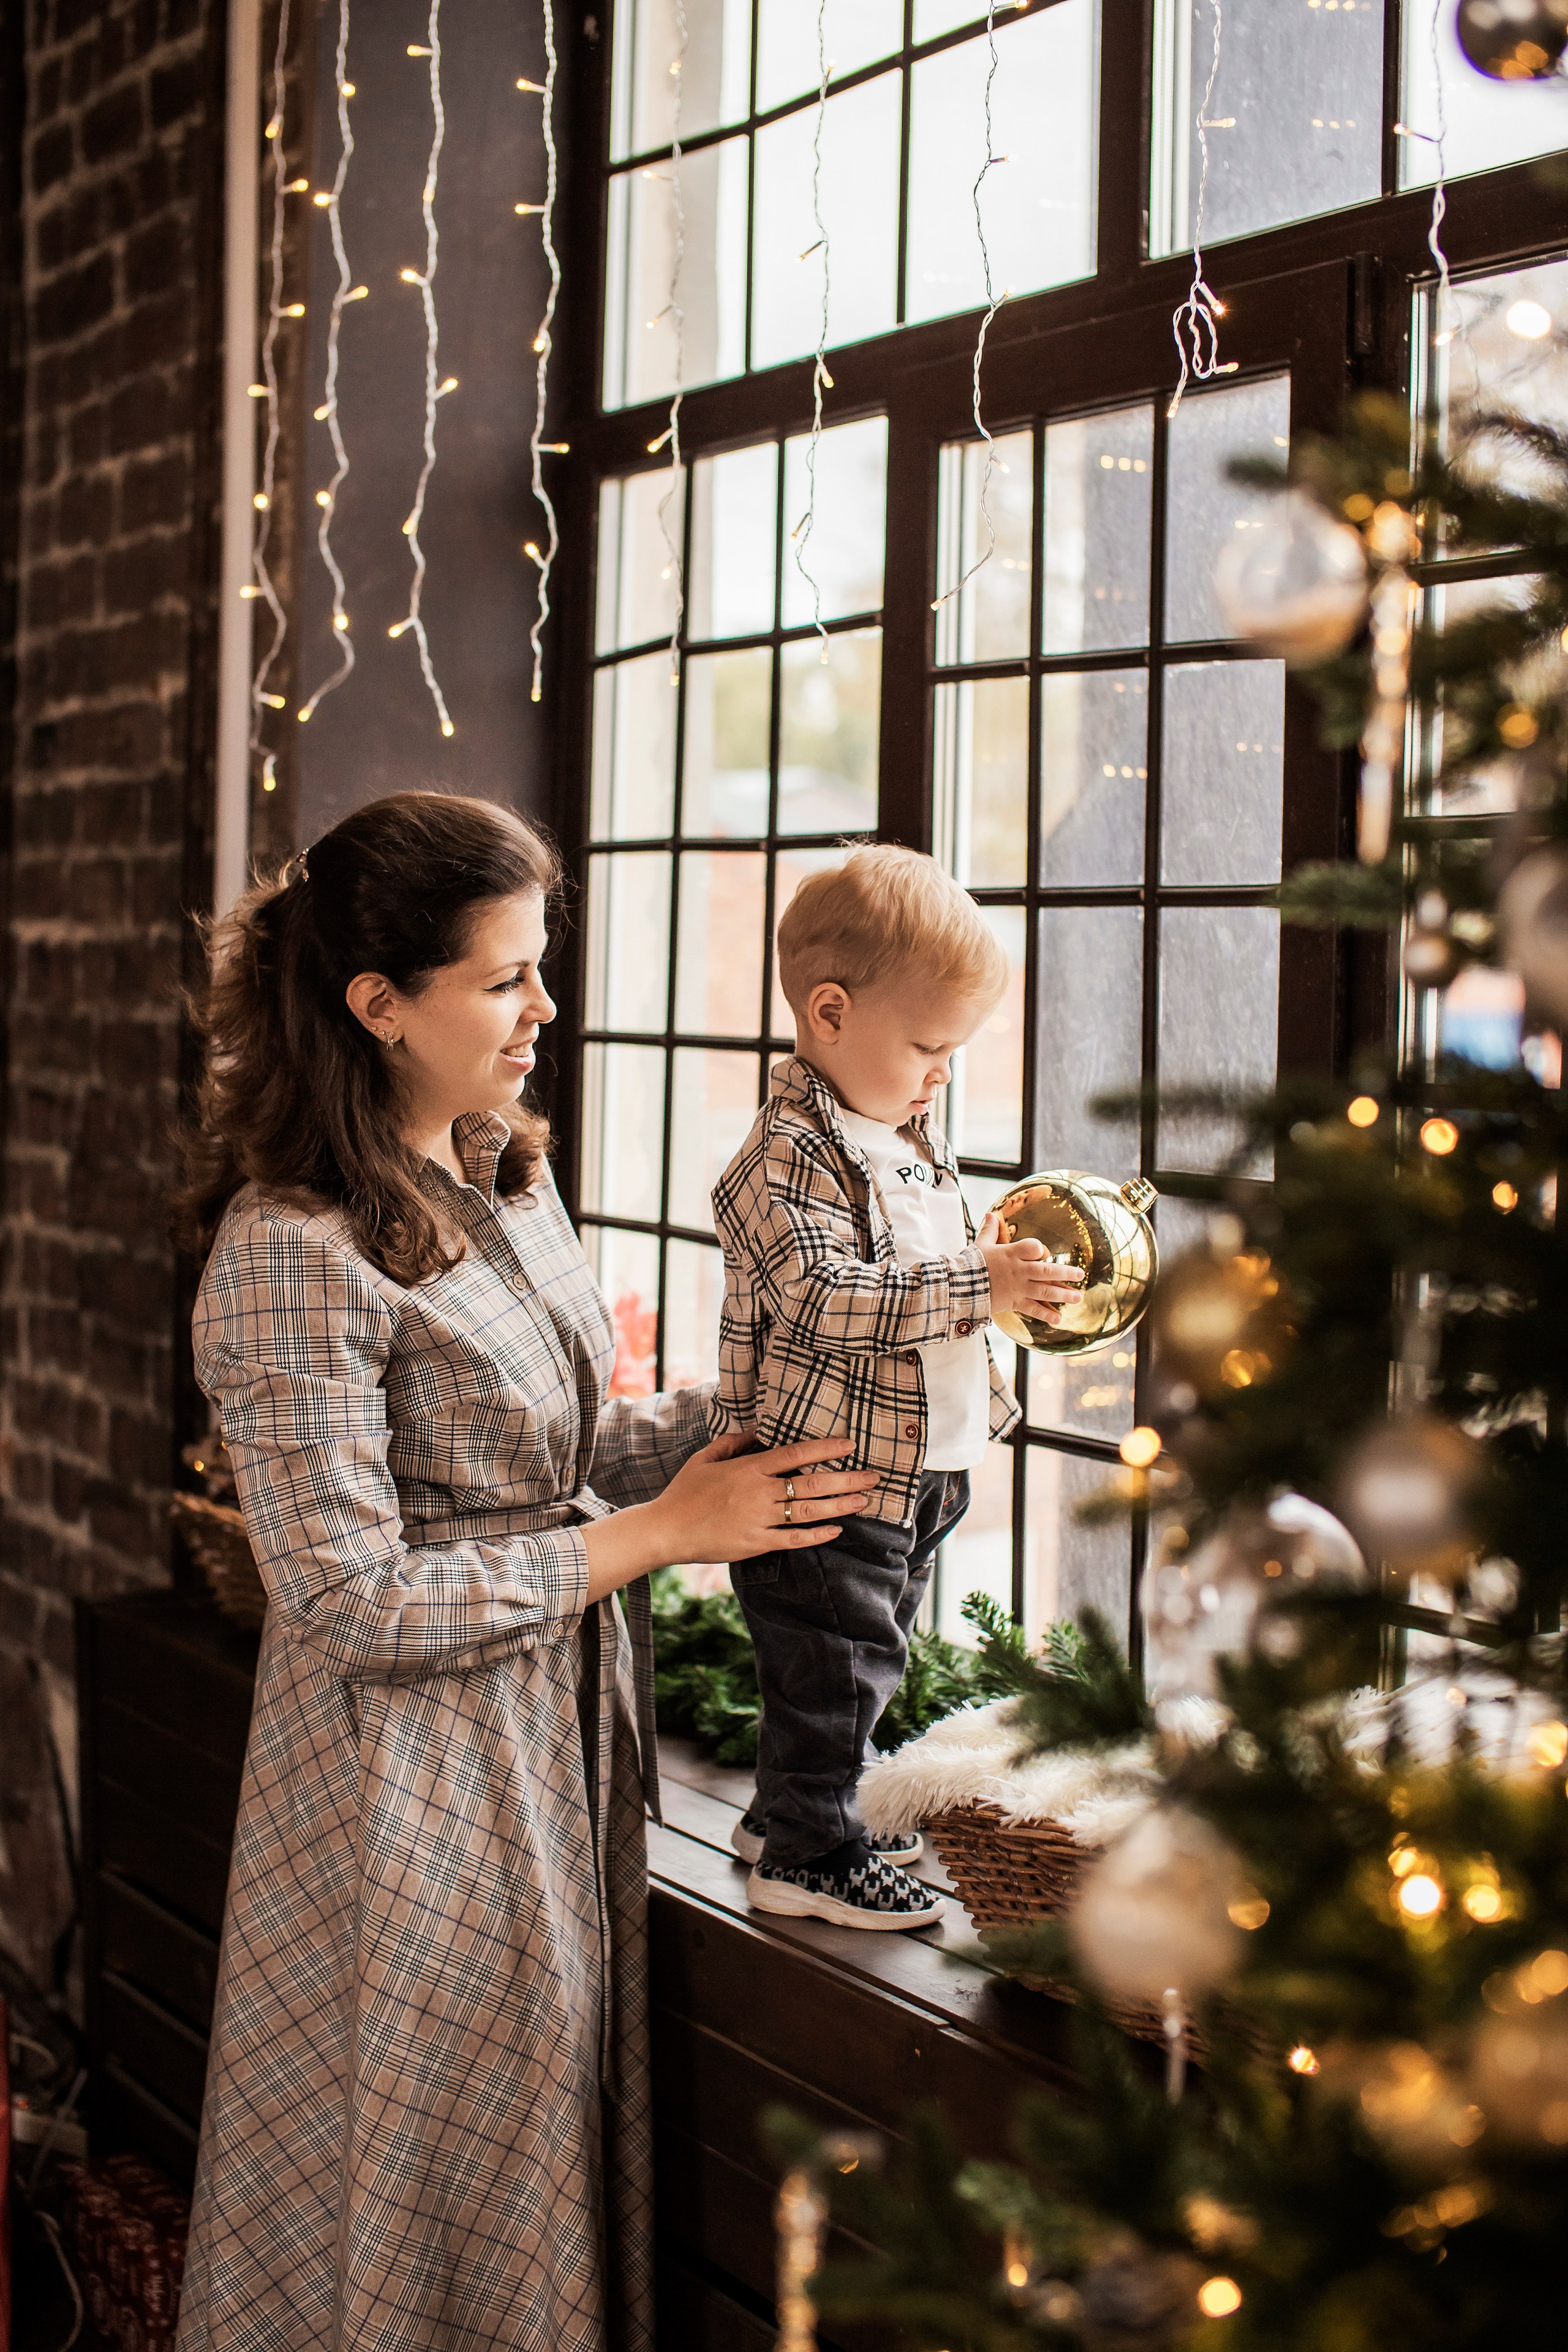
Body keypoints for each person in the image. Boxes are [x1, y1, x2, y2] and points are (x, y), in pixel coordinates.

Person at [170, 792, 875, 2352]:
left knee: (526, 2161)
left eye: (537, 968)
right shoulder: (288, 1250)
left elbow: (544, 1449)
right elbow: (349, 1602)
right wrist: (661, 1537)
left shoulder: (498, 1169)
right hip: (408, 1788)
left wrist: (750, 1417)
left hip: (556, 1734)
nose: (544, 1008)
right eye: (504, 980)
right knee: (423, 2190)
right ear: (378, 1005)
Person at [711, 845, 1085, 1930]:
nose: (945, 1071)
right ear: (829, 1013)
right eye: (929, 1045)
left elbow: (922, 1288)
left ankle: (795, 1806)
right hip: (823, 1480)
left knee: (873, 1653)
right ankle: (808, 1857)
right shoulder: (781, 1160)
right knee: (838, 1663)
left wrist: (1005, 1278)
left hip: (914, 1469)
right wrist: (979, 1280)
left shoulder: (902, 1138)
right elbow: (831, 1297)